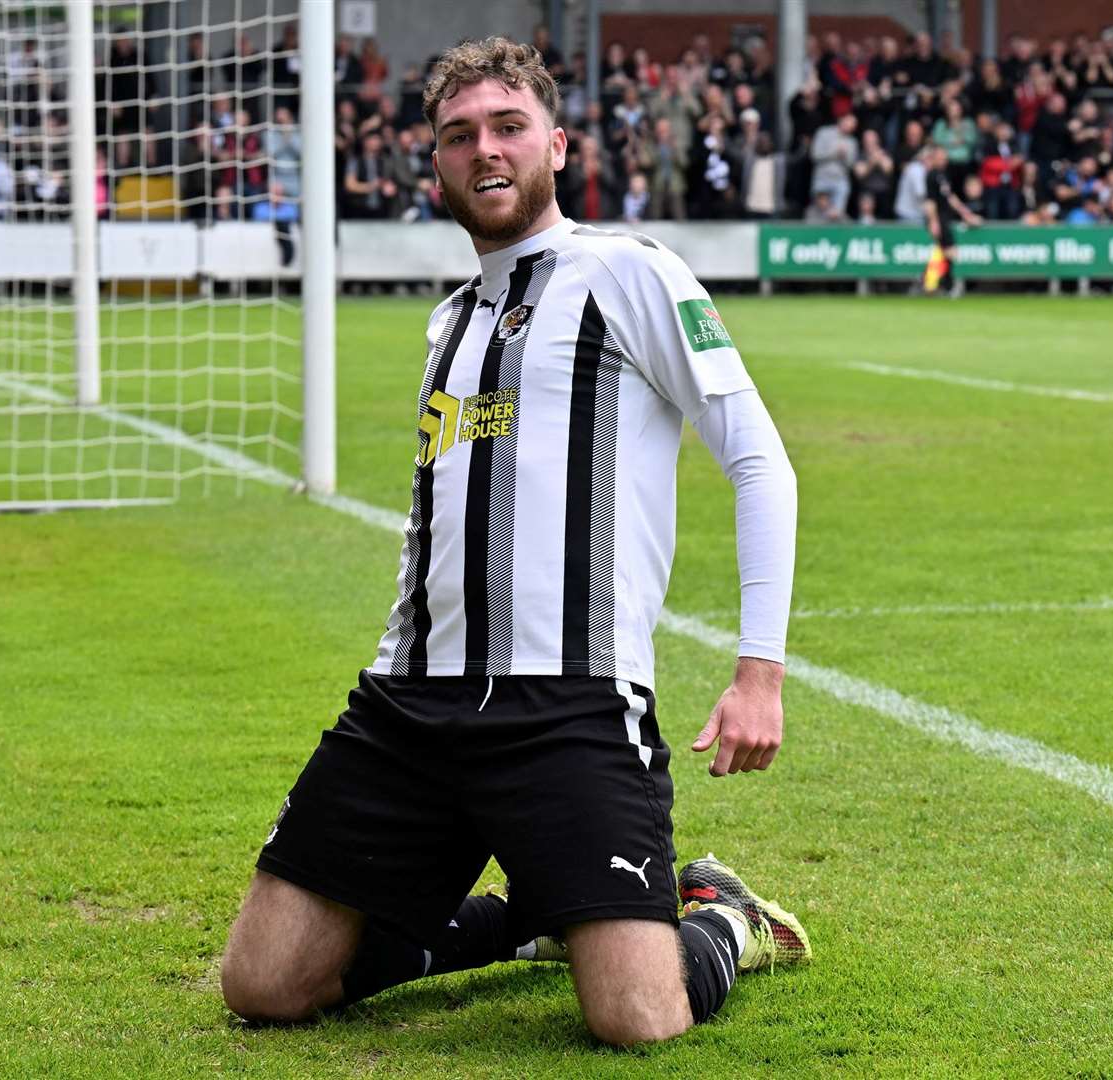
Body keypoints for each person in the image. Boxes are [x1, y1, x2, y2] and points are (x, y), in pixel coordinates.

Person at [219, 36, 808, 1047]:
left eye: (506, 127)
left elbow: (759, 463)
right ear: (436, 163)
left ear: (555, 145)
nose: (484, 150)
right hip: (411, 705)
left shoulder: (626, 272)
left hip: (569, 702)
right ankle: (530, 921)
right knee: (262, 985)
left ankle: (721, 919)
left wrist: (759, 670)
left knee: (635, 1018)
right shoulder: (448, 322)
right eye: (458, 136)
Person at [922, 144, 983, 297]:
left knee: (945, 252)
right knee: (949, 251)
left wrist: (965, 213)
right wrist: (933, 221)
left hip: (945, 217)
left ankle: (937, 284)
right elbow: (930, 201)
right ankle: (945, 284)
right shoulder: (931, 175)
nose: (944, 160)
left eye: (945, 158)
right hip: (939, 218)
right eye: (941, 157)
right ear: (934, 158)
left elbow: (950, 198)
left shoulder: (943, 175)